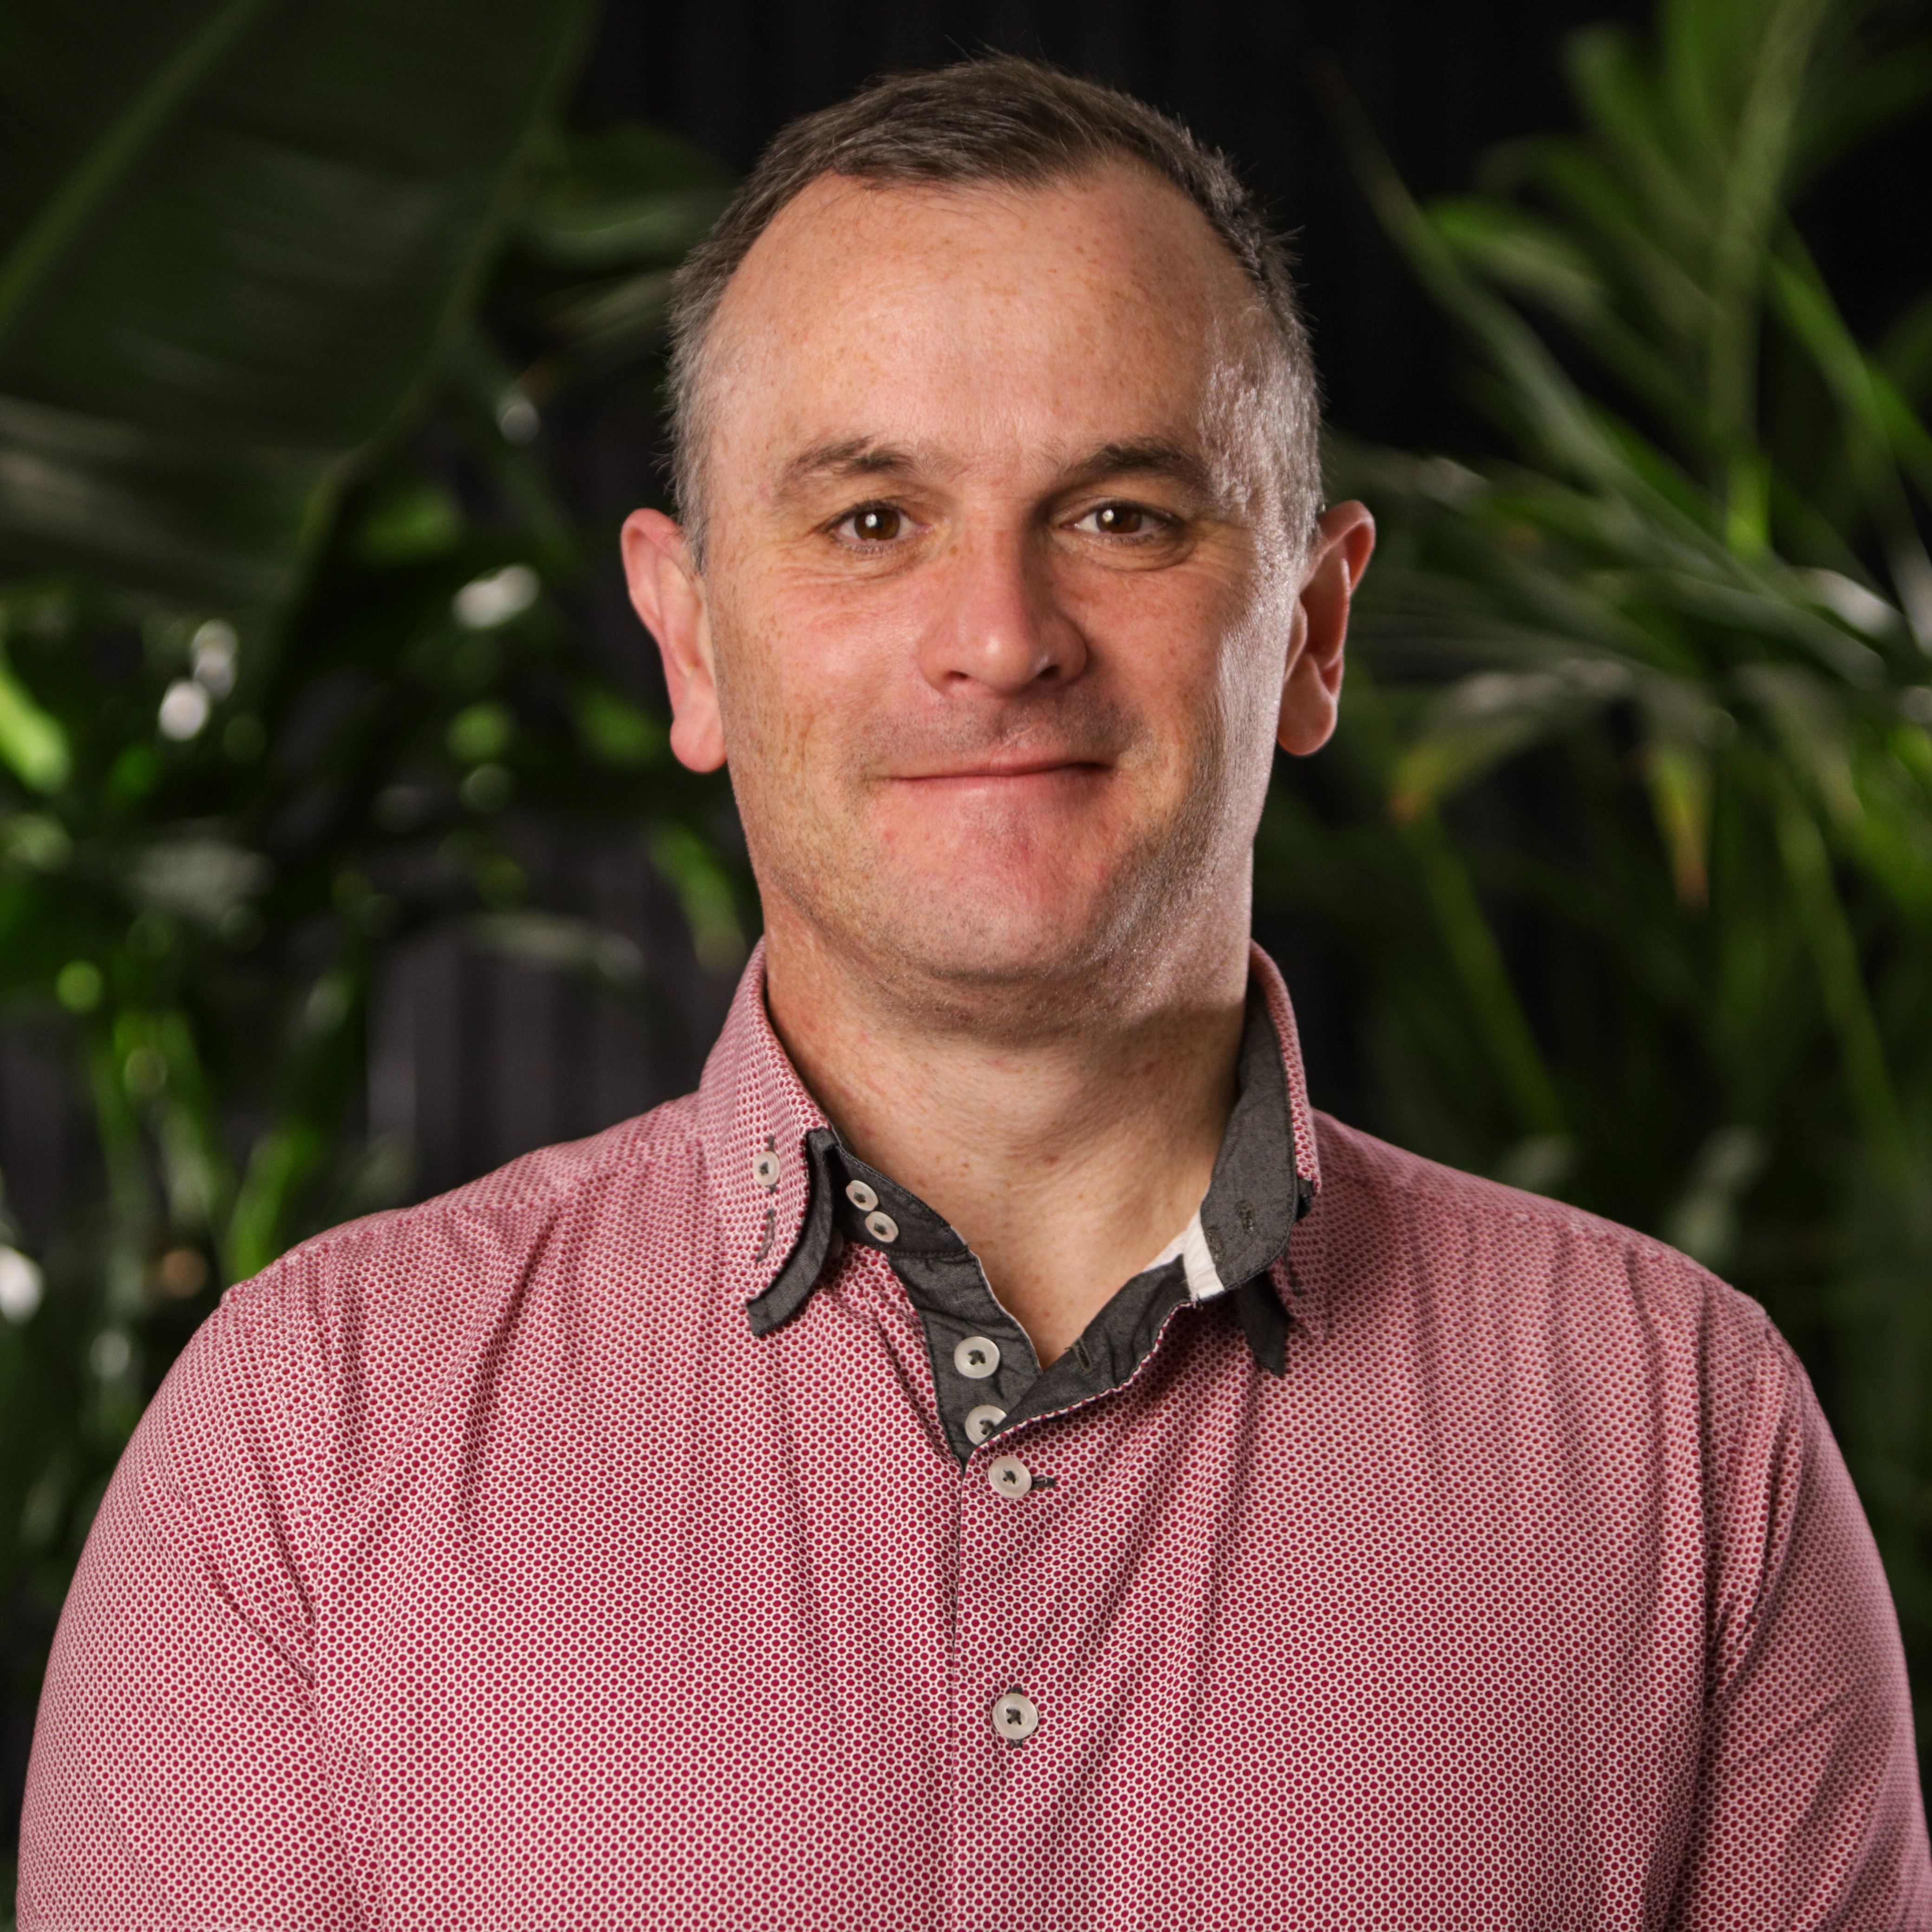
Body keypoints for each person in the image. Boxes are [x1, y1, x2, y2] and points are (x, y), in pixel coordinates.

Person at [19, 53, 1929, 1932]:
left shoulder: (1687, 1442)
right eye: (871, 520)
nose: (1001, 640)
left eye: (1121, 515)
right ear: (690, 638)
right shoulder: (304, 1450)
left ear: (1312, 626)